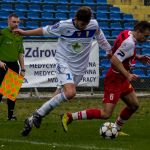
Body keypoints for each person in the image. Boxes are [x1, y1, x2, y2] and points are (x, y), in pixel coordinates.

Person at [14, 6, 113, 136]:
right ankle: (38, 114)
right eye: (82, 24)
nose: (84, 27)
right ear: (76, 19)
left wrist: (108, 50)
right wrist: (25, 33)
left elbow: (100, 36)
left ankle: (31, 120)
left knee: (58, 96)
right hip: (64, 62)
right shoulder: (63, 25)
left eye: (86, 24)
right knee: (71, 93)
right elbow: (44, 31)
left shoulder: (93, 25)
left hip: (80, 68)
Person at [61, 21, 150, 135]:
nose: (146, 39)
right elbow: (114, 60)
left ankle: (117, 129)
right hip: (115, 79)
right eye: (146, 36)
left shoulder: (127, 33)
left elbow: (118, 52)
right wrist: (127, 74)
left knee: (133, 105)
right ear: (138, 31)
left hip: (122, 79)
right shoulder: (129, 43)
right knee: (105, 114)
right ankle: (69, 116)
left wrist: (137, 57)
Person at [0, 13, 25, 120]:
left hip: (14, 65)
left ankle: (10, 116)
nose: (16, 24)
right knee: (0, 92)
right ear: (8, 22)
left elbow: (20, 52)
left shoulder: (20, 34)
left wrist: (23, 68)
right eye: (14, 22)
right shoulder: (2, 33)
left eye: (17, 22)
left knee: (12, 93)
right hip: (2, 65)